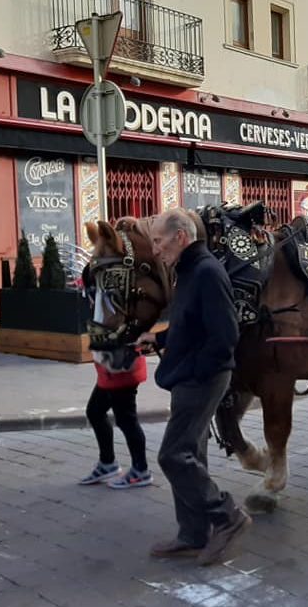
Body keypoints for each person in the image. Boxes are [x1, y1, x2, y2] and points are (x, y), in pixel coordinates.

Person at [134, 209, 249, 564]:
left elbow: (226, 334)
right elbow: (192, 322)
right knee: (191, 455)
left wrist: (195, 370)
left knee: (173, 455)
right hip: (188, 374)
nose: (155, 250)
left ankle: (227, 515)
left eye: (158, 241)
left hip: (202, 378)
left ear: (181, 237)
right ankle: (192, 535)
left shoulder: (206, 272)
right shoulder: (189, 270)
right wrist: (161, 339)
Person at [79, 348, 152, 488]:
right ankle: (108, 463)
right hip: (110, 368)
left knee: (126, 420)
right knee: (95, 411)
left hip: (120, 368)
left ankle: (140, 470)